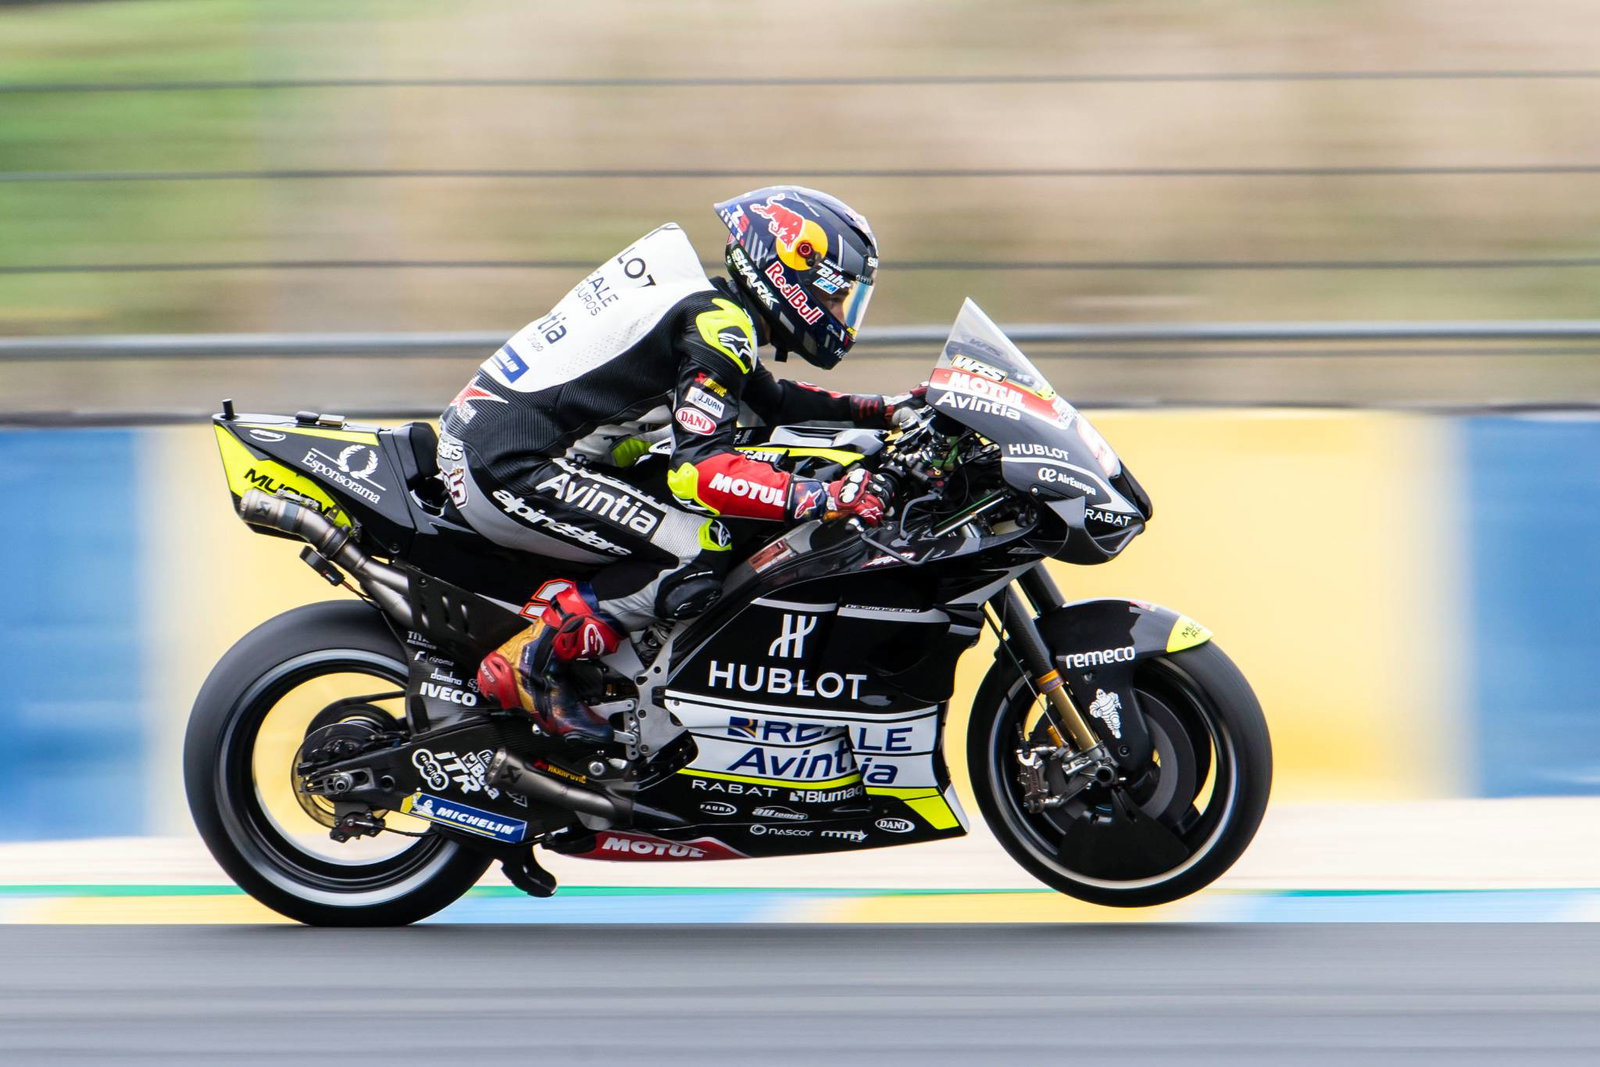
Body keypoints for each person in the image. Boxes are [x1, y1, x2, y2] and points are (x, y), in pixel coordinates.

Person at [437, 186, 914, 744]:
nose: (840, 314)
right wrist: (824, 497)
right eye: (838, 297)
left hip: (503, 448)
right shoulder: (717, 324)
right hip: (508, 465)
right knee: (700, 546)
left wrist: (889, 410)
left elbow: (773, 402)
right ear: (793, 274)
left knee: (722, 504)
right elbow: (700, 472)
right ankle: (531, 662)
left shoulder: (713, 312)